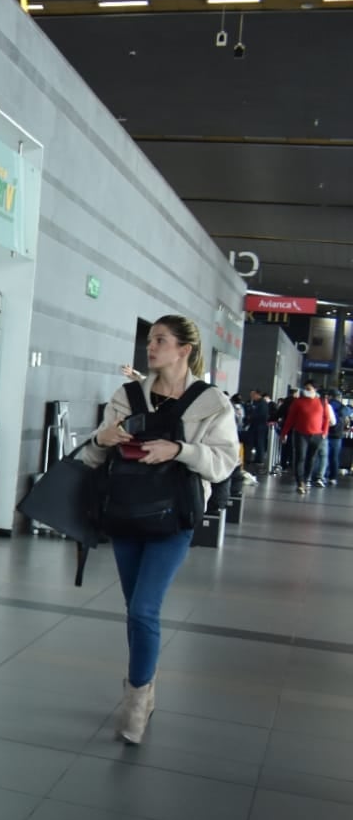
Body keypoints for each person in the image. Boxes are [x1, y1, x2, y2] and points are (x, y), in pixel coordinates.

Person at [80, 316, 239, 744]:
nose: (151, 348)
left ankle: (136, 700)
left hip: (176, 519)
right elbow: (94, 454)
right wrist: (104, 439)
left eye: (161, 340)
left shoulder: (211, 402)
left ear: (184, 349)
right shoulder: (128, 396)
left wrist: (180, 449)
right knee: (136, 609)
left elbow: (225, 461)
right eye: (150, 340)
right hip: (127, 513)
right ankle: (145, 688)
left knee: (144, 609)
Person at [283, 381, 330, 494]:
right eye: (305, 388)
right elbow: (290, 418)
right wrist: (284, 432)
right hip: (300, 433)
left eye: (309, 388)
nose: (306, 391)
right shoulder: (298, 402)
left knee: (311, 458)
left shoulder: (322, 402)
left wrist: (324, 432)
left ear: (315, 389)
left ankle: (306, 479)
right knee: (300, 457)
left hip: (317, 435)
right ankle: (300, 482)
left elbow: (326, 418)